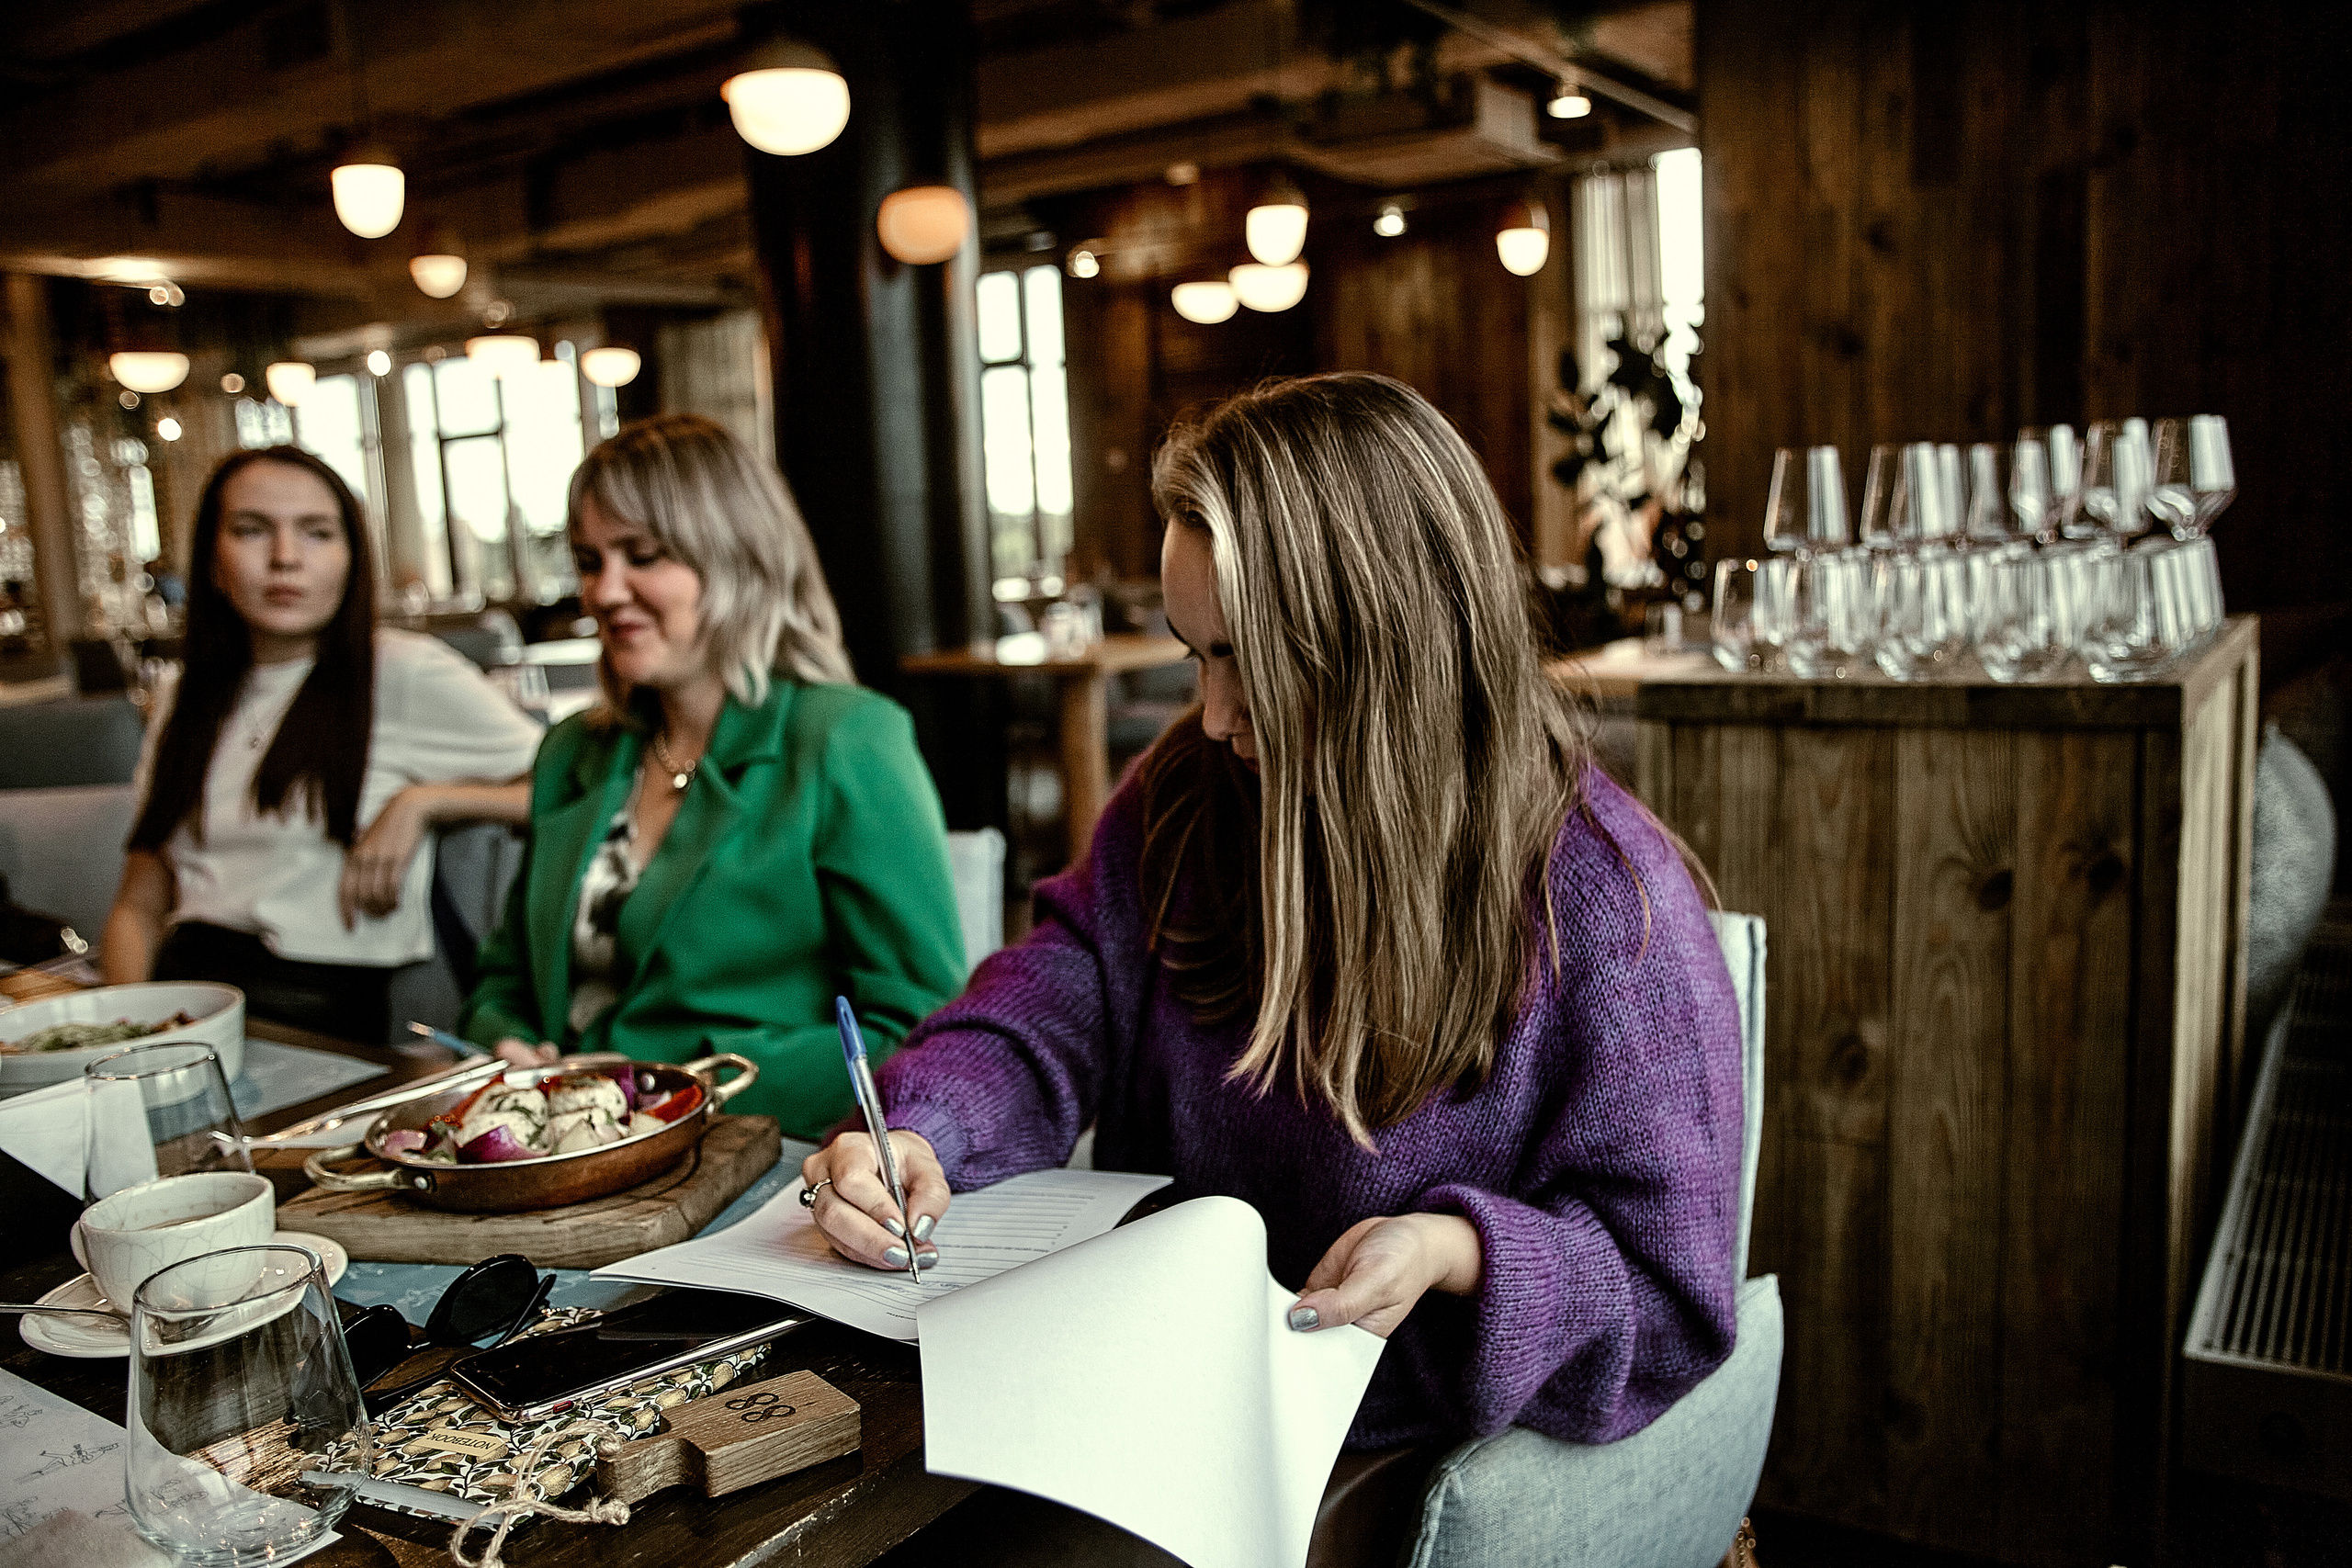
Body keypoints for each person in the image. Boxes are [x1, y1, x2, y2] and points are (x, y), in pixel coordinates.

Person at [804, 373, 1742, 1450]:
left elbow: (1669, 1300)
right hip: (1146, 1388)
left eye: (1246, 658)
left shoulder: (1603, 904)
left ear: (1384, 643)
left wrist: (1453, 1250)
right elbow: (1052, 1001)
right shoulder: (1185, 792)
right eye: (1193, 654)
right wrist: (922, 1125)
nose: (1210, 716)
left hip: (1387, 1446)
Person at [459, 415, 965, 1142]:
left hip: (754, 1153)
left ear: (739, 560)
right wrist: (506, 1039)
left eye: (643, 555)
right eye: (590, 561)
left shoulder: (846, 738)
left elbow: (920, 1029)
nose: (604, 591)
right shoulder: (572, 751)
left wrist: (678, 1085)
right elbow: (502, 979)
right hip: (556, 1151)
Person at [105, 447, 543, 1042]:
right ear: (212, 560)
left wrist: (426, 801)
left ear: (351, 559)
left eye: (317, 533)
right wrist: (126, 1040)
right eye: (252, 530)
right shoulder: (184, 695)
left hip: (319, 1012)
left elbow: (578, 784)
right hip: (183, 998)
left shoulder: (401, 671)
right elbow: (138, 903)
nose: (285, 557)